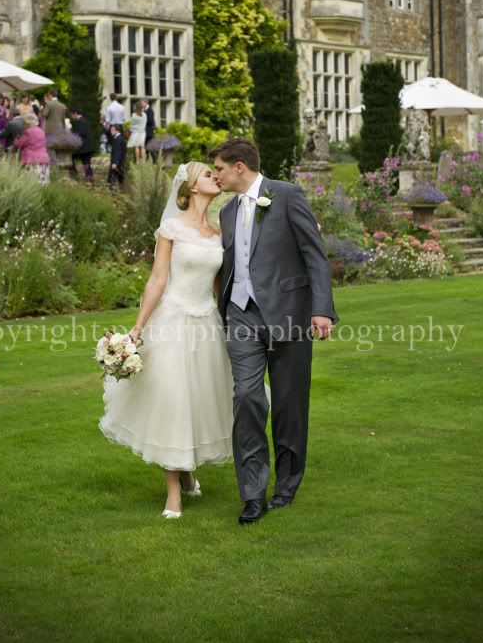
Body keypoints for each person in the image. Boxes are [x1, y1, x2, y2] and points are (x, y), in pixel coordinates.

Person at [209, 138, 339, 525]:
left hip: (289, 314)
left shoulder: (286, 195)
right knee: (247, 398)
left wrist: (321, 310)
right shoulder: (227, 212)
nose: (215, 175)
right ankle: (251, 494)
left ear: (239, 167)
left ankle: (286, 485)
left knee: (289, 405)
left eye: (218, 168)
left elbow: (316, 255)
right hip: (241, 315)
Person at [99, 162, 236, 518]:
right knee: (173, 399)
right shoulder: (172, 228)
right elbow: (158, 280)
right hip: (172, 321)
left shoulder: (220, 232)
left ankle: (187, 469)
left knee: (198, 398)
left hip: (207, 323)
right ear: (190, 187)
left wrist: (231, 323)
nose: (215, 177)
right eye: (207, 174)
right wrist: (138, 328)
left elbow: (220, 286)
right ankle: (174, 491)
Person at [14, 112, 51, 184]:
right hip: (44, 160)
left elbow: (18, 144)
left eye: (24, 123)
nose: (23, 126)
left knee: (31, 185)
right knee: (43, 184)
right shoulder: (41, 131)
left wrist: (16, 140)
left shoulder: (28, 132)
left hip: (32, 161)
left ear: (28, 123)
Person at [68, 104, 96, 182]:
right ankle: (89, 178)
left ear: (75, 113)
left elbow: (81, 133)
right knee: (86, 163)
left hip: (84, 147)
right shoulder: (82, 120)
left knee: (71, 158)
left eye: (72, 115)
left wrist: (72, 135)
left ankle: (74, 174)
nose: (71, 117)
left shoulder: (81, 121)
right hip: (86, 147)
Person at [107, 123, 127, 190]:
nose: (111, 131)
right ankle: (121, 193)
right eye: (111, 130)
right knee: (121, 180)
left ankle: (112, 195)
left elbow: (117, 152)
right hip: (121, 163)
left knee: (111, 180)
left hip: (117, 163)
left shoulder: (118, 139)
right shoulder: (120, 138)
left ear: (117, 130)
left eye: (112, 130)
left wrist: (114, 163)